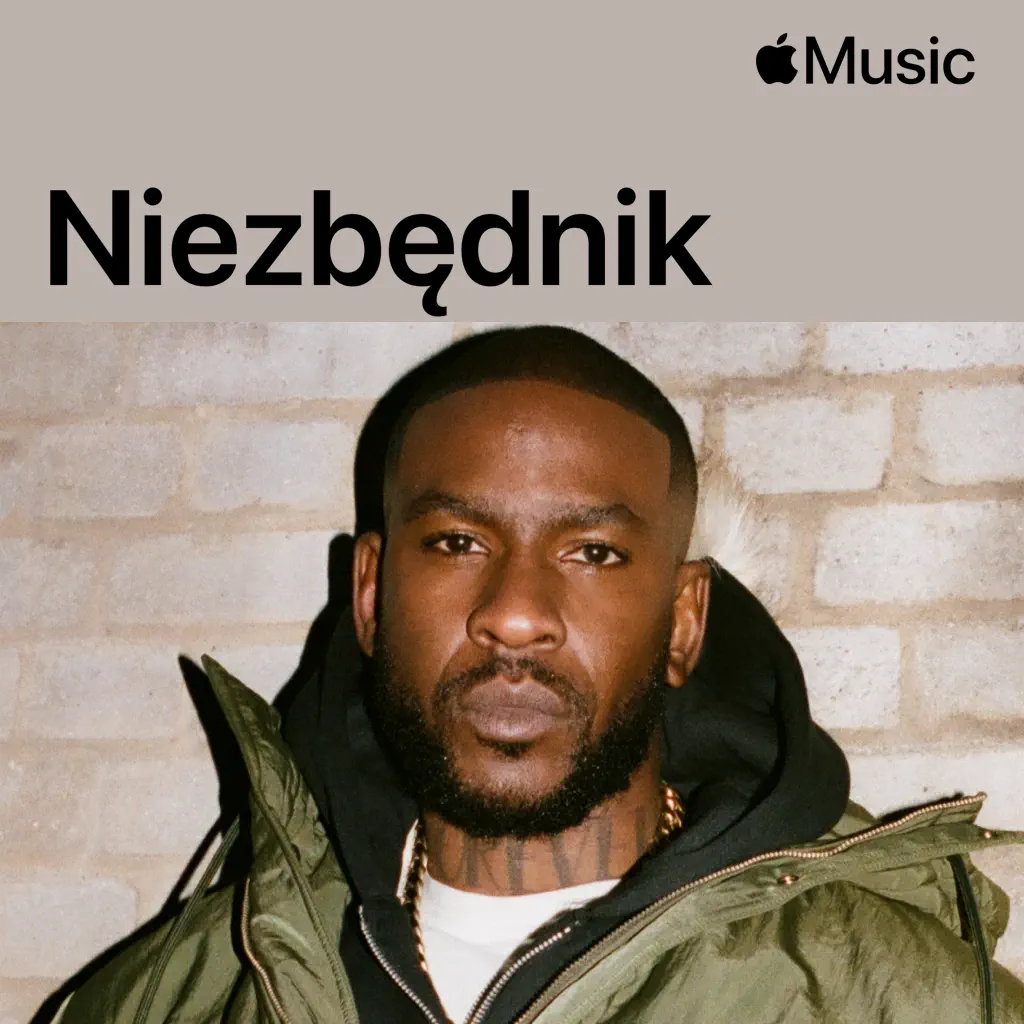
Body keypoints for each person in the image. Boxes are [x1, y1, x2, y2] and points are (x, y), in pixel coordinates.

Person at [56, 325, 1024, 1024]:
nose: (515, 612)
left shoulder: (900, 1002)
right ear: (371, 592)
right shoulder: (171, 999)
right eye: (457, 540)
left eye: (592, 552)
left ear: (684, 620)